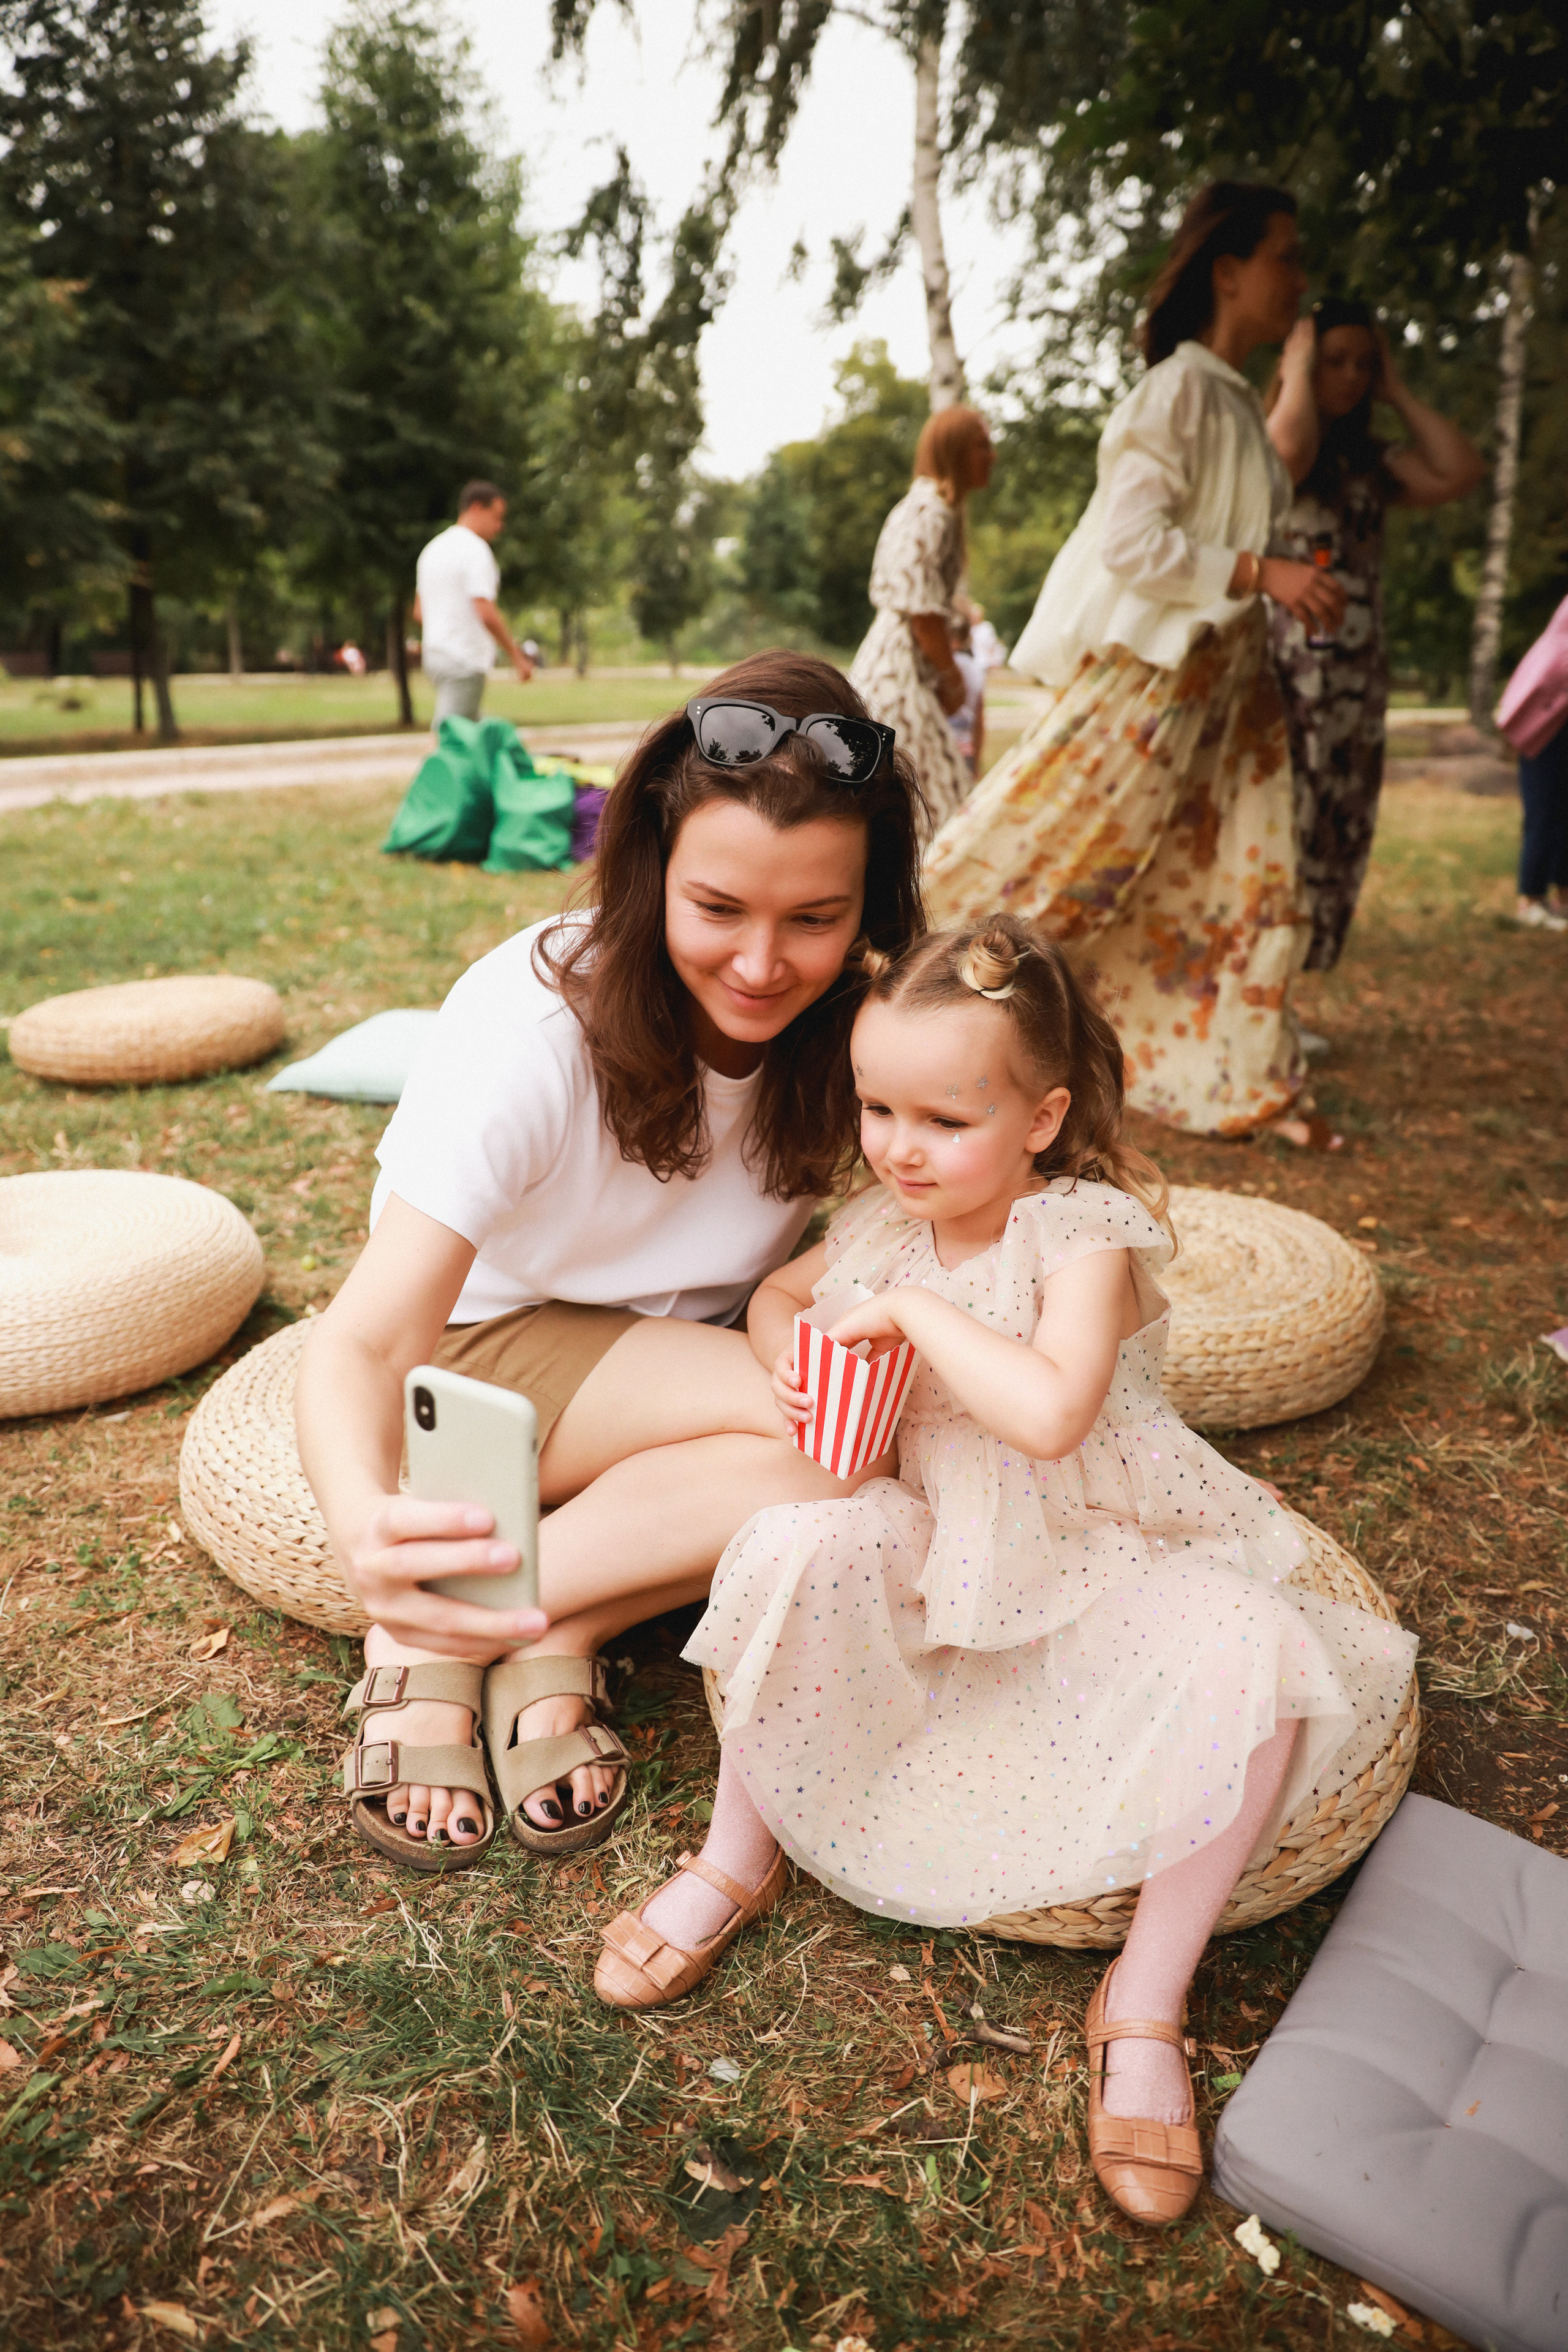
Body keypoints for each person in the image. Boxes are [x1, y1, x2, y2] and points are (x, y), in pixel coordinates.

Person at [594, 914, 1417, 2231]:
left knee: (1250, 1654)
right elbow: (774, 1300)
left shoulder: (1076, 1233)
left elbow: (1047, 1417)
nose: (900, 1146)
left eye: (943, 1118)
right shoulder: (878, 1223)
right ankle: (735, 1852)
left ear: (1038, 1119)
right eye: (875, 1107)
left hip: (1090, 1555)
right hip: (936, 1547)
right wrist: (799, 1362)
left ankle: (1143, 2000)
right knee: (791, 1542)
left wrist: (913, 1314)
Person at [295, 652, 925, 1872]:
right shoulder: (535, 1029)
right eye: (717, 909)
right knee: (836, 1451)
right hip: (481, 1359)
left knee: (874, 1433)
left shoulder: (859, 1027)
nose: (759, 964)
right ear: (651, 870)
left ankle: (528, 1628)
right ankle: (433, 1636)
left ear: (869, 907)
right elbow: (368, 1338)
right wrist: (364, 1518)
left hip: (666, 1352)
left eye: (814, 918)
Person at [922, 184, 1349, 1143]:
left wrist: (1299, 363)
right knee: (1049, 849)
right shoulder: (1180, 390)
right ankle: (904, 986)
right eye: (1285, 254)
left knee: (1236, 879)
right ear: (1228, 272)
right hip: (1155, 678)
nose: (1300, 274)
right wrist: (1262, 571)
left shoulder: (1231, 397)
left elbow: (1282, 456)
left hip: (1227, 687)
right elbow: (1132, 544)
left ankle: (1236, 1074)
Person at [1265, 298, 1485, 968]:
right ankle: (1266, 990)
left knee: (1340, 823)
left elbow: (1459, 470)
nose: (1352, 376)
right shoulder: (1273, 445)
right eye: (1336, 361)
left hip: (1358, 677)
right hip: (1287, 674)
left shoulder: (1371, 460)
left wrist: (1396, 390)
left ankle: (1298, 984)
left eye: (1364, 363)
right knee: (1287, 826)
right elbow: (1287, 455)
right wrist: (1296, 369)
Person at [850, 405, 995, 840]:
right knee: (944, 812)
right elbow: (923, 616)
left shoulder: (923, 507)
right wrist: (954, 683)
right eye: (982, 445)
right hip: (900, 673)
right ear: (954, 450)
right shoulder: (932, 512)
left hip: (891, 666)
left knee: (912, 812)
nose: (993, 455)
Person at [413, 481, 535, 727]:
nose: (500, 526)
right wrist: (517, 656)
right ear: (477, 508)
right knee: (451, 734)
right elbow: (485, 610)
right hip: (463, 658)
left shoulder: (433, 549)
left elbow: (419, 611)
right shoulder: (476, 551)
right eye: (497, 517)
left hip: (435, 655)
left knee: (472, 728)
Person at [1496, 594, 1568, 930]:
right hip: (1543, 729)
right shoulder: (1560, 643)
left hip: (1556, 724)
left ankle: (1562, 898)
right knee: (1544, 814)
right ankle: (1530, 900)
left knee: (1561, 815)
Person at [945, 610, 986, 776]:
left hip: (944, 746)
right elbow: (979, 719)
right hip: (966, 748)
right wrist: (976, 762)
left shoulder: (944, 668)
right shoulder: (976, 668)